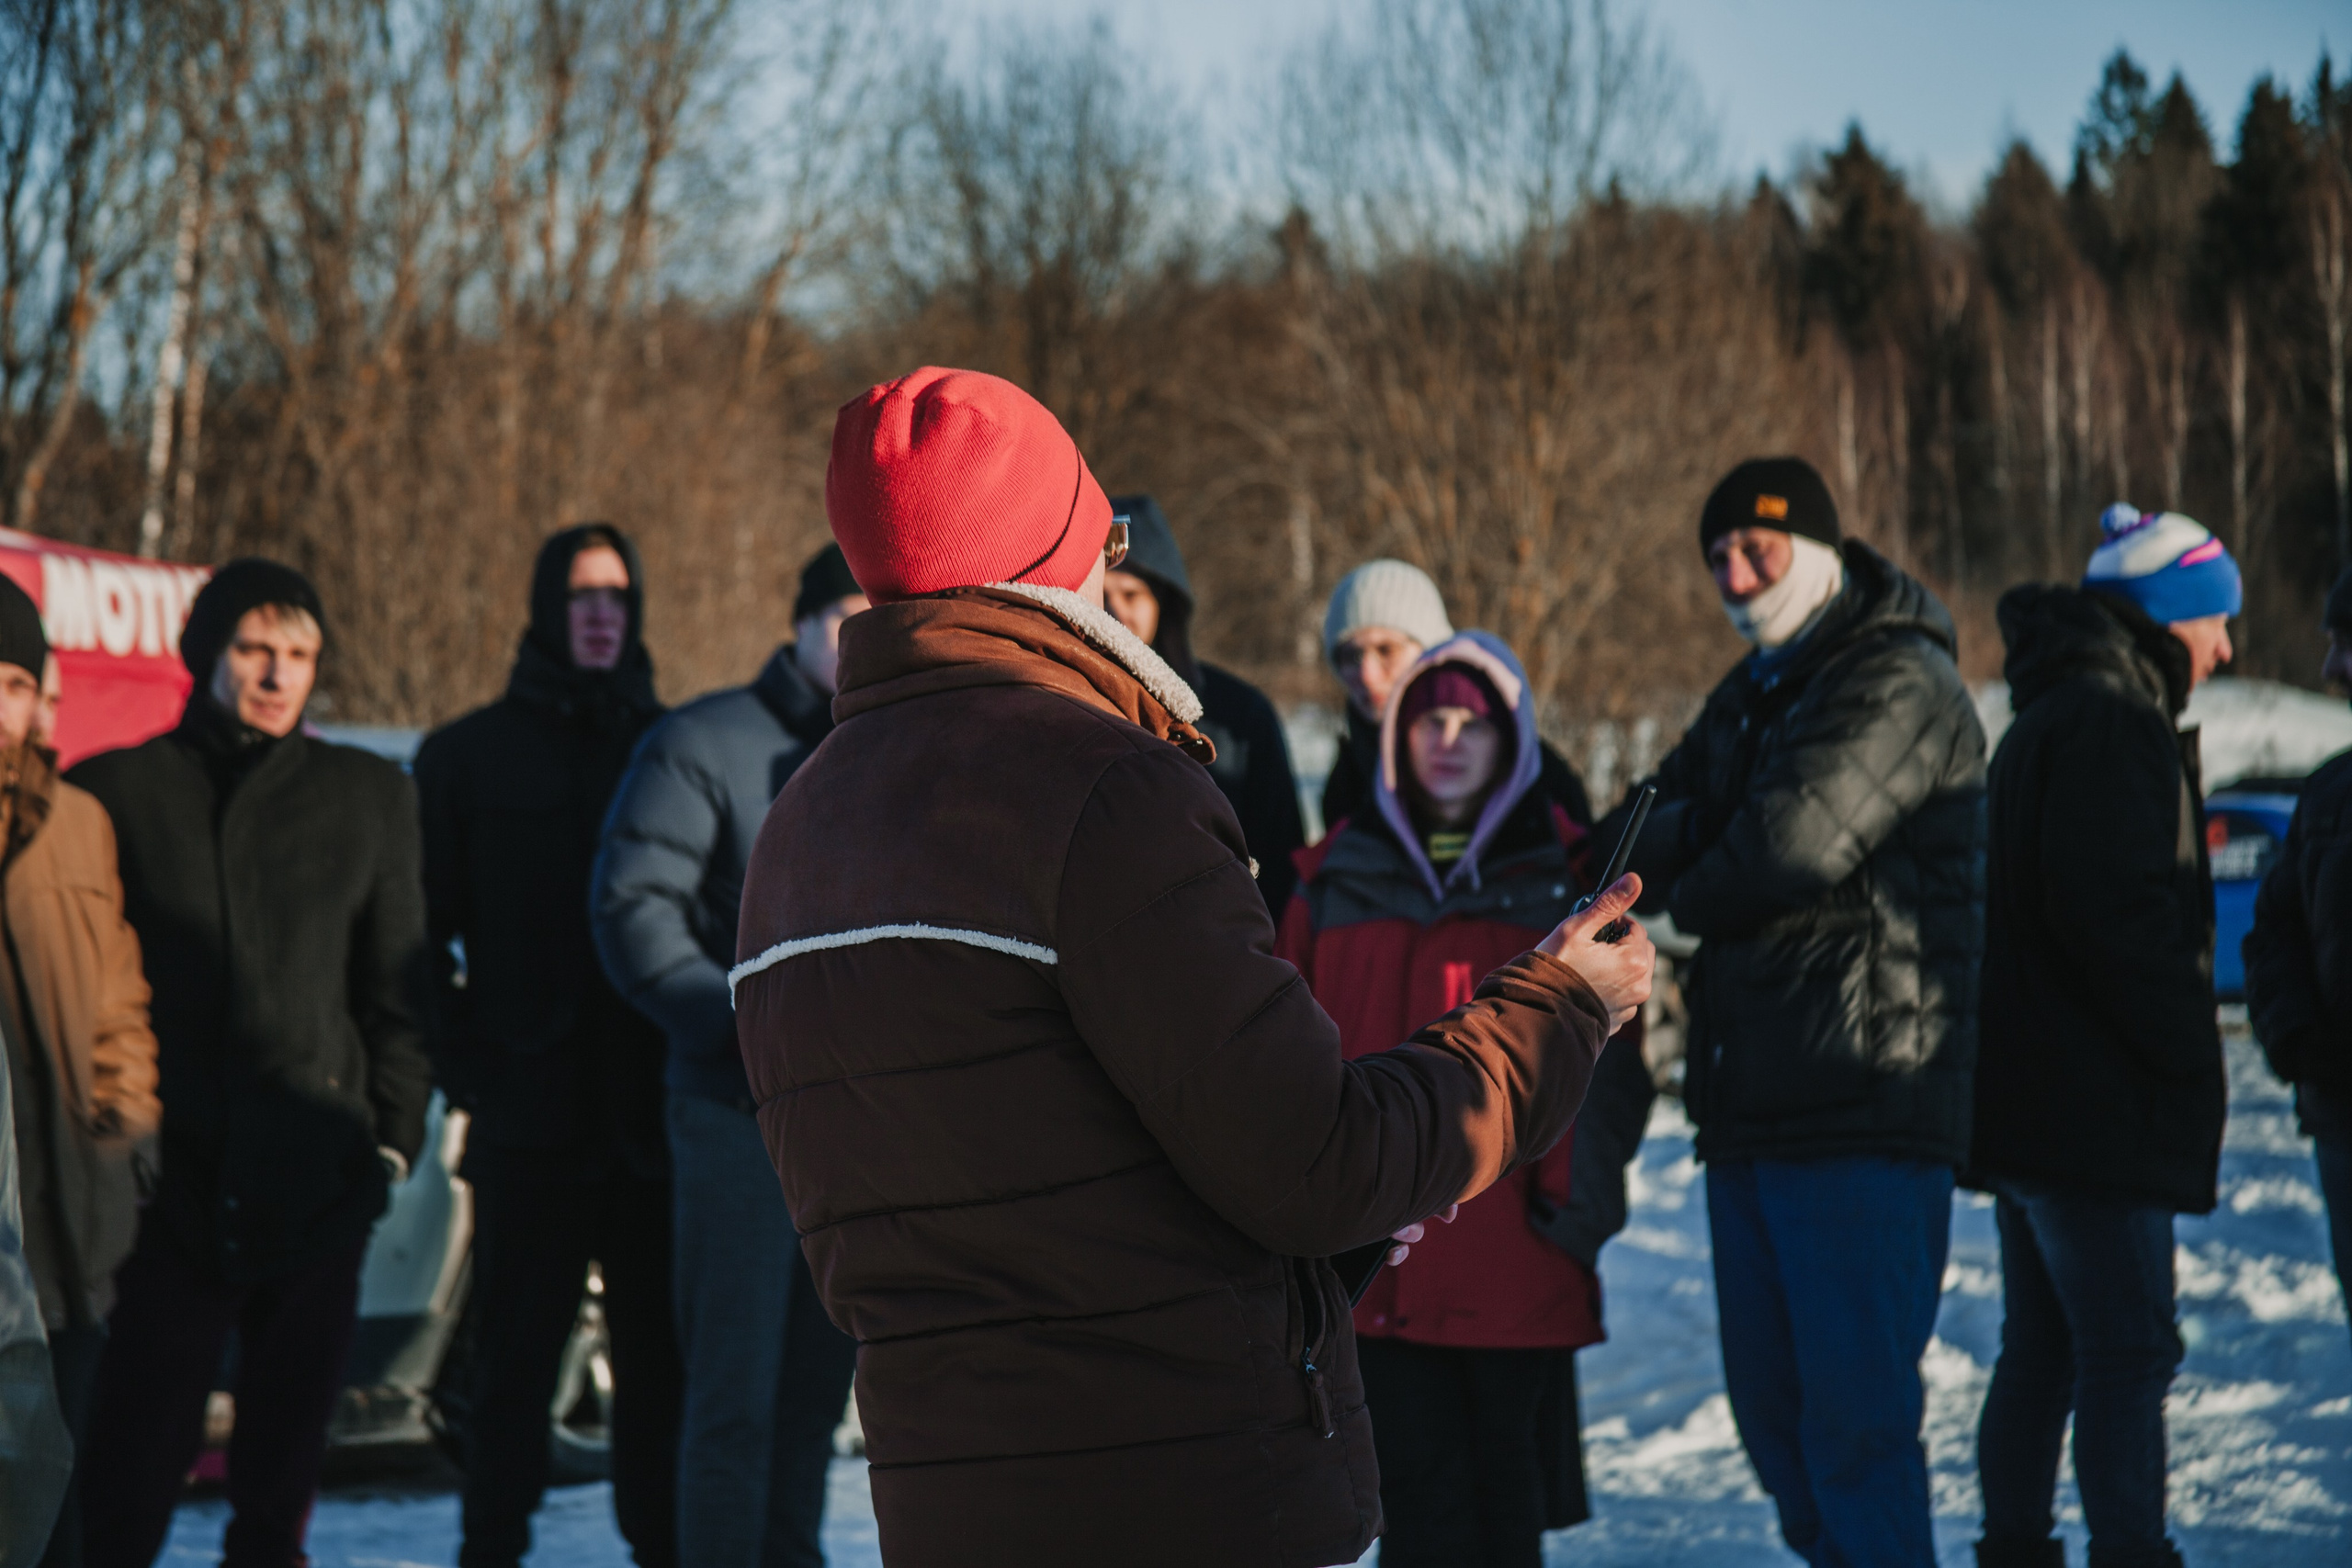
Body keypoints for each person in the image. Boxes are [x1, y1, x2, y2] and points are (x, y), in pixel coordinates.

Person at [729, 366, 1653, 1567]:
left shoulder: (798, 829)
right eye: (1095, 532)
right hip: (1175, 1490)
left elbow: (1056, 1191)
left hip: (950, 1499)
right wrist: (1554, 1009)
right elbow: (1314, 1166)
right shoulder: (1102, 785)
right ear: (1053, 553)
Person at [1601, 456, 1985, 1568]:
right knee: (1774, 1430)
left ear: (1814, 550)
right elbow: (1631, 830)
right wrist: (1688, 851)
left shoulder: (1896, 677)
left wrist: (1675, 905)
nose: (1734, 570)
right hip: (1755, 1107)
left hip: (1866, 1100)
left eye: (1757, 546)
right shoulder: (1754, 691)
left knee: (1857, 1432)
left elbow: (1785, 846)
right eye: (1716, 552)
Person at [69, 560, 434, 1568]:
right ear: (207, 655)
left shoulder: (365, 797)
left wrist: (391, 1147)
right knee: (128, 1481)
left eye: (300, 656)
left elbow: (398, 990)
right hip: (165, 1191)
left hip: (318, 1187)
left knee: (277, 1496)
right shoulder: (116, 793)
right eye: (254, 650)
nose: (278, 675)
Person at [1274, 631, 1654, 1567]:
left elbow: (1612, 1071)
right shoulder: (1328, 878)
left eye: (1472, 722)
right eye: (1427, 718)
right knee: (1410, 1515)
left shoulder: (1572, 882)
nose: (1447, 738)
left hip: (1516, 1259)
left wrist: (1571, 1214)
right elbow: (1283, 1058)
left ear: (1513, 740)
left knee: (1503, 1520)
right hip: (1374, 1265)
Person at [1972, 504, 2240, 1568]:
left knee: (2040, 1352)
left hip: (2039, 1110)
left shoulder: (2051, 710)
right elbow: (2120, 921)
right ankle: (2129, 1551)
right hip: (2096, 1114)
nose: (2227, 646)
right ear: (2167, 615)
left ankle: (2015, 1546)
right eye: (2215, 618)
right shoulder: (2110, 720)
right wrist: (2187, 1052)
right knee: (2126, 1352)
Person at [591, 543, 865, 1568]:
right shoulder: (704, 741)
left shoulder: (888, 749)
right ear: (797, 624)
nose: (858, 637)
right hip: (732, 1116)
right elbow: (633, 910)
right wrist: (743, 1022)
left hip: (848, 1128)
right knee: (732, 1401)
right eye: (842, 615)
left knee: (811, 1408)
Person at [415, 525, 681, 1568]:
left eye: (617, 594)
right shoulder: (464, 757)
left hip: (650, 1128)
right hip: (527, 1126)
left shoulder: (673, 744)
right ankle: (490, 1553)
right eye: (580, 597)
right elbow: (416, 940)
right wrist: (469, 1067)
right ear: (545, 609)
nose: (601, 613)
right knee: (512, 1376)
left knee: (660, 1376)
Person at [0, 579, 160, 1568]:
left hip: (61, 1255)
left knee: (58, 1525)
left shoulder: (79, 825)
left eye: (14, 683)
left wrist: (121, 1152)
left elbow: (118, 1011)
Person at [1102, 495, 1306, 914]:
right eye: (1101, 595)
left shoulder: (1240, 718)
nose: (1115, 613)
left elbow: (1282, 862)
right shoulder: (1061, 708)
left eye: (1131, 594)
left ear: (1163, 601)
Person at [2245, 564, 2352, 1337]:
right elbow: (2271, 937)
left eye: (2347, 644)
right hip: (2342, 1120)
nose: (2330, 670)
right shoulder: (2326, 796)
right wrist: (2297, 1039)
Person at [1318, 560, 1590, 833]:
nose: (1367, 674)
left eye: (1386, 649)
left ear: (1432, 653)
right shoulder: (1345, 788)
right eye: (1351, 656)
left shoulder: (1536, 780)